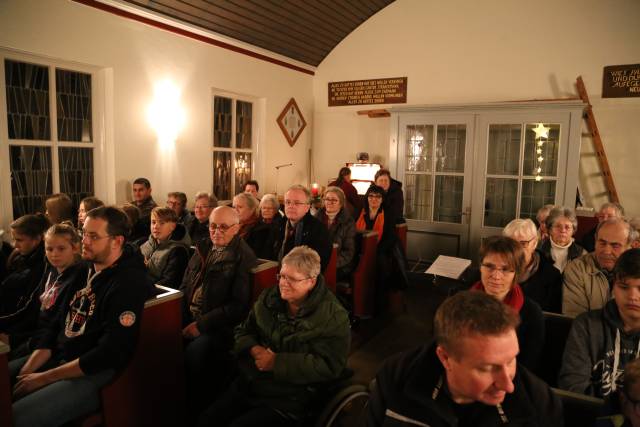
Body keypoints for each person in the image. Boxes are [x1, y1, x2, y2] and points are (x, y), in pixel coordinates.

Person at [8, 206, 155, 427]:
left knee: (16, 418)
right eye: (83, 232)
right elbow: (55, 323)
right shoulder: (83, 268)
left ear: (116, 241)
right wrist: (29, 369)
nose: (84, 241)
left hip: (94, 371)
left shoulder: (128, 283)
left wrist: (45, 377)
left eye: (93, 236)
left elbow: (111, 351)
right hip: (60, 355)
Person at [197, 246, 350, 427]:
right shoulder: (270, 297)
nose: (283, 283)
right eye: (282, 276)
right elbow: (243, 330)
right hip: (251, 382)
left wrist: (276, 362)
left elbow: (330, 365)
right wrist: (254, 349)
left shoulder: (333, 316)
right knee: (206, 420)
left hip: (291, 397)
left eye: (292, 278)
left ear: (311, 281)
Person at [367, 291, 563, 427]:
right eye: (487, 368)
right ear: (445, 358)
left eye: (511, 360)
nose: (508, 385)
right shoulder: (395, 376)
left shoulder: (539, 403)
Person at [180, 206, 258, 414]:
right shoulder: (203, 247)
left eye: (223, 227)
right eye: (213, 226)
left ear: (237, 228)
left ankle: (196, 407)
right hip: (191, 315)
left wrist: (201, 324)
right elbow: (186, 284)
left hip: (219, 326)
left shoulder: (243, 256)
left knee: (194, 354)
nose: (216, 231)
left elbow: (237, 306)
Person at [559, 249, 640, 398]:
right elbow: (572, 387)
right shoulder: (586, 325)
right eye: (624, 287)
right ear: (613, 285)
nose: (633, 296)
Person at [5, 224, 83, 359]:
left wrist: (15, 340)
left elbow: (56, 326)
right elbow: (33, 309)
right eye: (49, 249)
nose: (54, 254)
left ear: (75, 248)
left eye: (61, 249)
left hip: (49, 347)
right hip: (34, 337)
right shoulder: (50, 271)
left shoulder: (77, 278)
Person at [471, 235, 545, 370]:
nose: (496, 275)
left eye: (505, 269)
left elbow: (527, 366)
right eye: (489, 266)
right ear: (480, 267)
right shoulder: (459, 304)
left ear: (516, 273)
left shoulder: (531, 313)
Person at [563, 218, 635, 317]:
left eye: (615, 246)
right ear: (595, 240)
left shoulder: (636, 271)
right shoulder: (577, 269)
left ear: (629, 246)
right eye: (602, 243)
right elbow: (576, 319)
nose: (606, 251)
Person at [0, 214, 49, 352]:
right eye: (14, 239)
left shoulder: (41, 266)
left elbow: (28, 309)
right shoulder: (22, 257)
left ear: (37, 239)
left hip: (18, 330)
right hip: (10, 320)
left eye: (19, 240)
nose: (15, 245)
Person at [355, 185, 407, 308]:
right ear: (367, 198)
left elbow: (390, 237)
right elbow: (354, 233)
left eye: (378, 197)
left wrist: (375, 251)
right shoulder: (360, 212)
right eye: (371, 196)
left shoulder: (388, 214)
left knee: (380, 264)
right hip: (361, 248)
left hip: (382, 249)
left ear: (382, 199)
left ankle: (378, 301)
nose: (374, 199)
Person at [503, 219, 563, 312]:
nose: (516, 249)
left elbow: (553, 318)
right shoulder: (495, 269)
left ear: (534, 243)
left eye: (523, 244)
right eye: (511, 243)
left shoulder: (552, 276)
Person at [271, 185, 332, 272]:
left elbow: (318, 264)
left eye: (296, 203)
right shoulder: (278, 224)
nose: (291, 206)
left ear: (307, 207)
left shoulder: (318, 229)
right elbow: (269, 255)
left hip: (303, 278)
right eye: (288, 202)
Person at [139, 207, 191, 289]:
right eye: (153, 222)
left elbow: (169, 283)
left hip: (158, 295)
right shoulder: (147, 243)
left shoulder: (178, 251)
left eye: (161, 223)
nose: (155, 226)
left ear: (173, 226)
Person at [315, 186, 356, 281]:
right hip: (317, 262)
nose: (330, 202)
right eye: (327, 199)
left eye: (334, 200)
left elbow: (348, 252)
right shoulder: (317, 217)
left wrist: (331, 263)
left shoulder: (348, 222)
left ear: (341, 203)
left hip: (340, 265)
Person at [540, 206, 586, 273]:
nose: (563, 230)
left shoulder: (582, 254)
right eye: (558, 226)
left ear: (573, 231)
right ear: (550, 229)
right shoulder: (538, 250)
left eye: (567, 227)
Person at [233, 192, 271, 259]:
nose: (235, 210)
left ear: (252, 209)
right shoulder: (233, 225)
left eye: (240, 207)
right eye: (234, 207)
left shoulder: (261, 229)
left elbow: (254, 256)